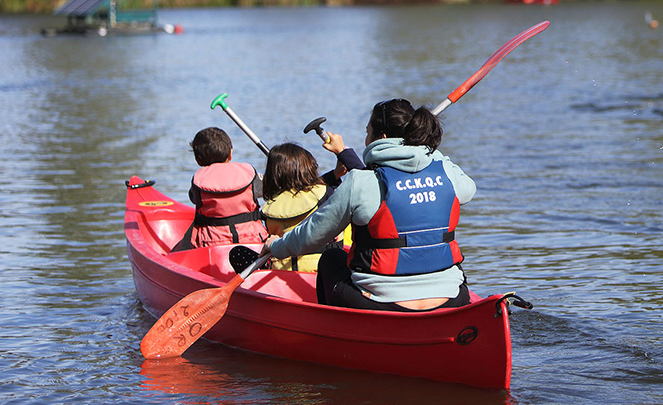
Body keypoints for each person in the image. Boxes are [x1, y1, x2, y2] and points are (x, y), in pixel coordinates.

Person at [264, 99, 476, 312]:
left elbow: (310, 236)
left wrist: (276, 247)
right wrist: (427, 150)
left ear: (381, 137)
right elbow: (469, 189)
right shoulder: (445, 171)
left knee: (331, 258)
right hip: (452, 297)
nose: (365, 139)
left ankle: (336, 333)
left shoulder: (361, 181)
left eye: (367, 132)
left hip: (382, 304)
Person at [259, 138, 363, 272]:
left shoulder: (269, 208)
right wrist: (344, 154)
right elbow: (363, 179)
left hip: (284, 273)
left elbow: (301, 193)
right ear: (309, 169)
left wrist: (334, 175)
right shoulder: (326, 194)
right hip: (322, 272)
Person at [186, 127, 267, 247]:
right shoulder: (249, 174)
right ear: (230, 153)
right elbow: (268, 190)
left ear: (197, 160)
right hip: (253, 240)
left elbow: (193, 199)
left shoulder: (198, 181)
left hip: (211, 244)